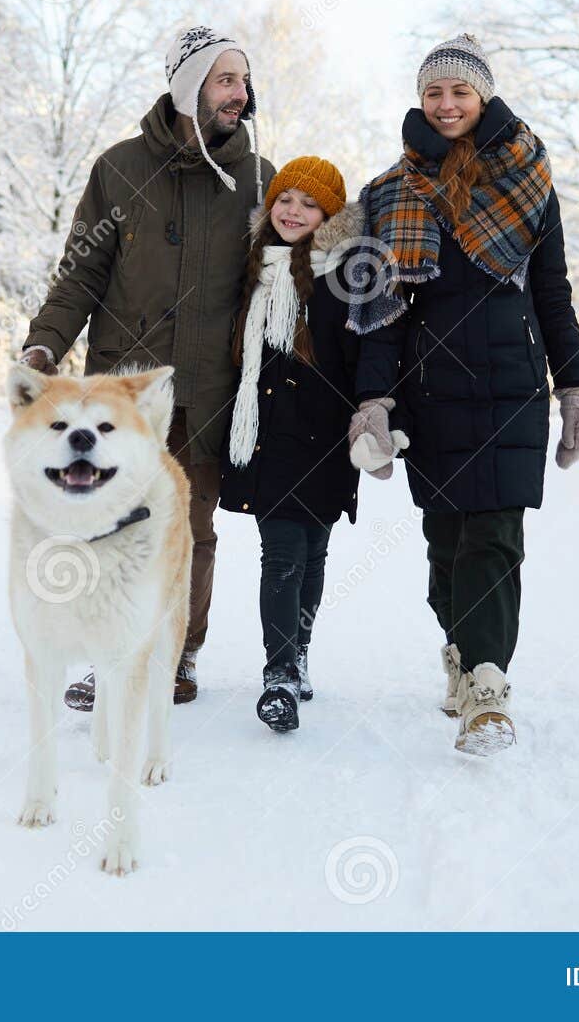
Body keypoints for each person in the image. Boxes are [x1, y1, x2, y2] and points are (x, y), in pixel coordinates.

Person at [346, 33, 579, 756]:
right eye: (435, 92)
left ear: (483, 97)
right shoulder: (389, 192)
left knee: (496, 538)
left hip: (513, 386)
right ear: (421, 100)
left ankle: (489, 688)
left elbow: (552, 290)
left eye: (460, 91)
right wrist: (375, 401)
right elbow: (380, 312)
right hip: (430, 392)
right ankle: (460, 652)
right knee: (447, 546)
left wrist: (574, 384)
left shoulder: (529, 179)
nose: (447, 103)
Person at [19, 26, 274, 709]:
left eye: (243, 80)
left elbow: (287, 279)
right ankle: (107, 656)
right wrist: (44, 344)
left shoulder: (258, 179)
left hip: (209, 391)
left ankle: (179, 652)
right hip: (125, 398)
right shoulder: (121, 170)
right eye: (225, 80)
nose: (239, 94)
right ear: (189, 86)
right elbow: (81, 275)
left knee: (190, 530)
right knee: (108, 521)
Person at [219, 157, 374, 733]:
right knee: (281, 553)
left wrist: (370, 416)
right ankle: (279, 672)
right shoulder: (251, 268)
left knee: (313, 553)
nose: (293, 211)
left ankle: (301, 652)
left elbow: (365, 355)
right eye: (286, 199)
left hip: (326, 436)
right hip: (268, 435)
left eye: (309, 204)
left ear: (329, 216)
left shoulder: (345, 276)